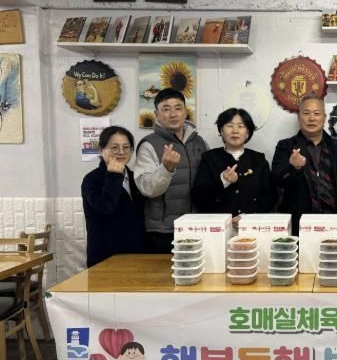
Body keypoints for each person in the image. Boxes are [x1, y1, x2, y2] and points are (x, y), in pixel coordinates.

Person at [134, 88, 208, 253]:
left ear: (185, 112)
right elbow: (147, 188)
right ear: (156, 114)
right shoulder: (149, 144)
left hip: (196, 226)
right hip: (163, 230)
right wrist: (166, 168)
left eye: (178, 108)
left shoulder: (199, 142)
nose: (173, 114)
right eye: (166, 109)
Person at [272, 94, 337, 234]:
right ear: (299, 117)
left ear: (324, 117)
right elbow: (276, 180)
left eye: (317, 113)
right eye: (306, 113)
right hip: (299, 223)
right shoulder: (286, 146)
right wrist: (293, 167)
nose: (312, 118)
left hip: (334, 223)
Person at [191, 108, 276, 223]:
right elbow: (198, 196)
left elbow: (271, 196)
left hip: (251, 225)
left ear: (248, 133)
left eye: (241, 126)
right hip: (218, 226)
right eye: (230, 126)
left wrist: (248, 217)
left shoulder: (259, 160)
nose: (235, 131)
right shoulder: (209, 158)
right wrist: (222, 181)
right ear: (221, 131)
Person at [81, 126, 145, 267]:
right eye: (114, 148)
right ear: (101, 150)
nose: (121, 152)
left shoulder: (135, 178)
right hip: (104, 257)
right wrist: (114, 176)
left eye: (126, 148)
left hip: (136, 255)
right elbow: (105, 208)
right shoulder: (92, 179)